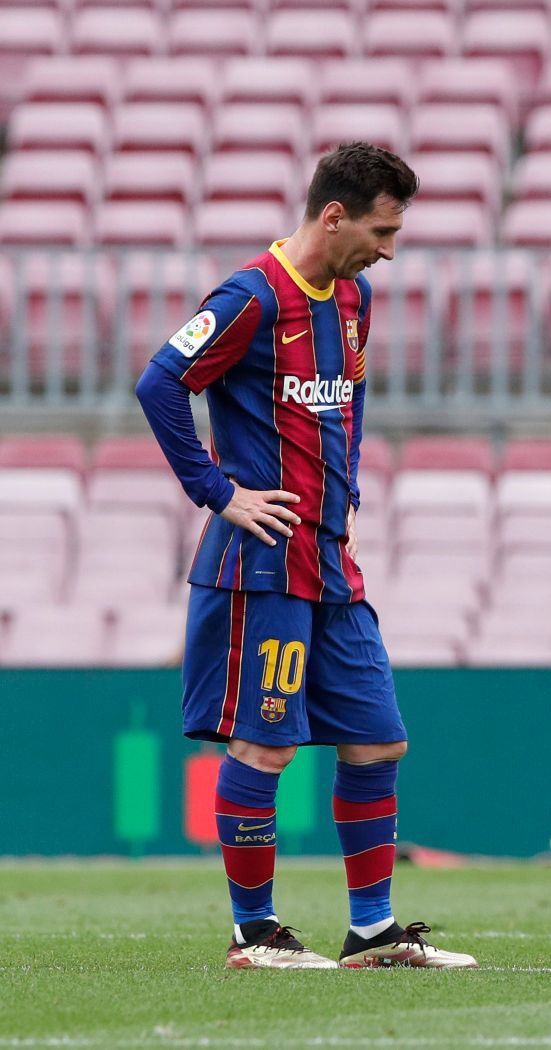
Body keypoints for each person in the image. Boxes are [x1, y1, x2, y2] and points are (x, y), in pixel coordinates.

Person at [135, 143, 475, 970]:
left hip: (330, 561)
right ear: (334, 216)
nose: (389, 248)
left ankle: (373, 932)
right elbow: (160, 381)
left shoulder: (352, 297)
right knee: (266, 747)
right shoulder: (250, 297)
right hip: (265, 561)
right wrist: (218, 493)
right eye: (382, 229)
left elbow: (348, 400)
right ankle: (254, 933)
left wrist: (347, 492)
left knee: (376, 740)